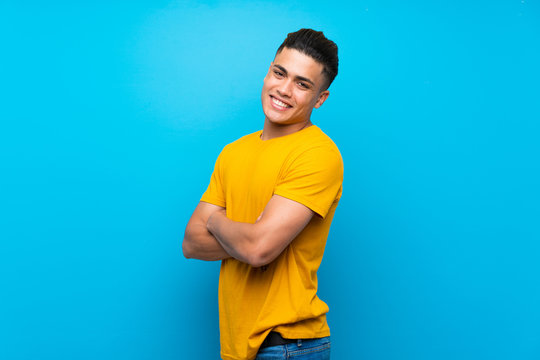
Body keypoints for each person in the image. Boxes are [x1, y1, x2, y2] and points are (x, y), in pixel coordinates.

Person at [183, 28, 343, 360]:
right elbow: (191, 243)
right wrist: (246, 234)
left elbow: (257, 249)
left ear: (321, 98)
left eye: (302, 84)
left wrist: (215, 219)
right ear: (268, 70)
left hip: (288, 344)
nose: (283, 90)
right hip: (237, 344)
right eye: (279, 73)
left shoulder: (316, 154)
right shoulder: (233, 152)